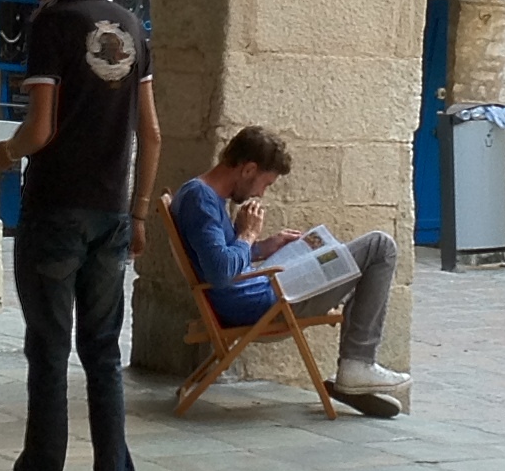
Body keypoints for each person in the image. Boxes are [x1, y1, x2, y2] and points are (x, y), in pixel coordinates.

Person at [0, 0, 156, 471]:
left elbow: (41, 129)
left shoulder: (51, 24)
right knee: (102, 353)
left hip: (55, 210)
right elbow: (150, 134)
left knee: (50, 353)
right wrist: (137, 213)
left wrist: (3, 154)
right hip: (110, 211)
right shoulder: (130, 25)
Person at [169, 126, 410, 416]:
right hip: (259, 305)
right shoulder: (202, 201)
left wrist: (264, 247)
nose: (261, 192)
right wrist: (246, 235)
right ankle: (356, 364)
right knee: (380, 247)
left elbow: (219, 260)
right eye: (265, 184)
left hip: (259, 292)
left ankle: (355, 368)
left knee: (345, 257)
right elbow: (220, 273)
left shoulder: (200, 194)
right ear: (248, 169)